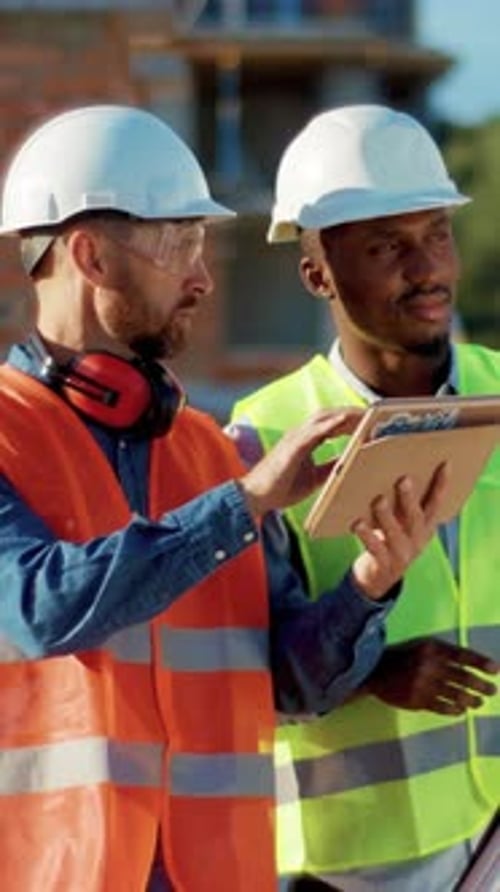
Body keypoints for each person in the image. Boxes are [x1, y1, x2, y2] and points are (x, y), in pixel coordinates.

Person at [0, 104, 446, 892]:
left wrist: (369, 584)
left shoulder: (208, 451)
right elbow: (40, 610)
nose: (203, 277)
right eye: (180, 244)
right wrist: (245, 504)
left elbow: (291, 685)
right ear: (89, 254)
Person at [229, 104, 500, 892]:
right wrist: (370, 669)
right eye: (388, 246)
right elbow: (254, 675)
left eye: (437, 234)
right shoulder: (264, 437)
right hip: (355, 866)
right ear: (317, 272)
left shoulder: (498, 389)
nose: (427, 269)